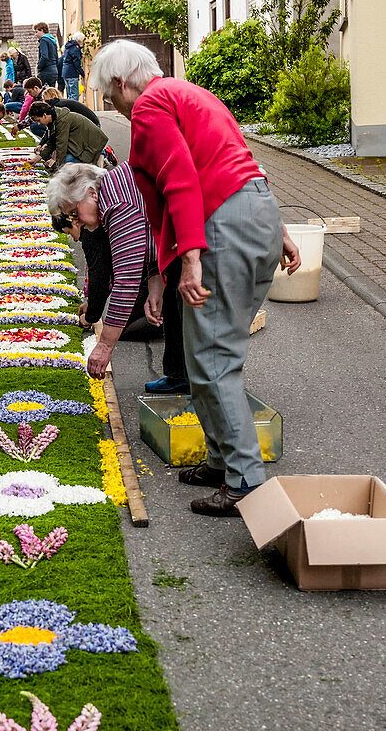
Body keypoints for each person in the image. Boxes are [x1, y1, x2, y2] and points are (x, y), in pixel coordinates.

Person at [89, 39, 301, 516]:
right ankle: (221, 460)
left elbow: (182, 179)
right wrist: (277, 229)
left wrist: (190, 259)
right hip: (254, 213)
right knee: (207, 352)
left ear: (122, 84)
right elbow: (238, 162)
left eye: (110, 95)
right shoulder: (191, 93)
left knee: (212, 358)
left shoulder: (148, 107)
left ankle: (244, 480)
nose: (115, 107)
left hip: (223, 223)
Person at [47, 163, 185, 359]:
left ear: (91, 194)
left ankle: (196, 383)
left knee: (192, 321)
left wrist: (104, 346)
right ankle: (180, 378)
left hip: (196, 242)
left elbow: (127, 278)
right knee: (179, 315)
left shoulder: (117, 207)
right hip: (179, 248)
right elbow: (152, 233)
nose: (76, 223)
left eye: (75, 214)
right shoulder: (112, 190)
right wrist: (156, 280)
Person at [40, 88, 119, 169]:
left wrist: (57, 165)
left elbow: (60, 140)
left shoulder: (56, 108)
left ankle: (104, 154)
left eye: (43, 99)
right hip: (86, 125)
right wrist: (42, 144)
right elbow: (53, 133)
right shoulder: (57, 106)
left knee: (81, 149)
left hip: (91, 124)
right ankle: (102, 154)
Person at [30, 101, 108, 169]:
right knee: (53, 161)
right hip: (81, 144)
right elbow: (52, 141)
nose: (39, 123)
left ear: (44, 115)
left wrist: (58, 170)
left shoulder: (62, 121)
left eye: (38, 120)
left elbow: (61, 146)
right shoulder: (55, 118)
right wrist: (37, 158)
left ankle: (100, 156)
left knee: (67, 164)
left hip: (92, 145)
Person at [34, 23, 59, 87]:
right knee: (51, 93)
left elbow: (44, 56)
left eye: (36, 32)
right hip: (54, 71)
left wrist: (39, 67)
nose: (35, 34)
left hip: (46, 71)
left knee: (42, 92)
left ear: (42, 30)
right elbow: (56, 57)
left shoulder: (43, 40)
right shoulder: (52, 41)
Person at [62, 32, 85, 100]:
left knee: (69, 94)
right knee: (74, 95)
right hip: (72, 73)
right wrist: (81, 72)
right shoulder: (75, 48)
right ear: (80, 40)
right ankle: (74, 110)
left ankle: (69, 109)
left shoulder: (68, 47)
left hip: (65, 72)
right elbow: (76, 62)